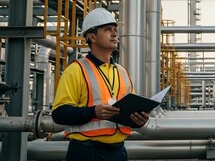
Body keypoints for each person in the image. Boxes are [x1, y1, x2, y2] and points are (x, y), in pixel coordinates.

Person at [52, 8, 149, 161]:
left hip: (118, 152)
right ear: (92, 37)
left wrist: (139, 120)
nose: (115, 33)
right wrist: (93, 112)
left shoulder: (122, 72)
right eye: (107, 30)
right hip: (86, 153)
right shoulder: (76, 70)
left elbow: (129, 111)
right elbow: (59, 114)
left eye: (115, 29)